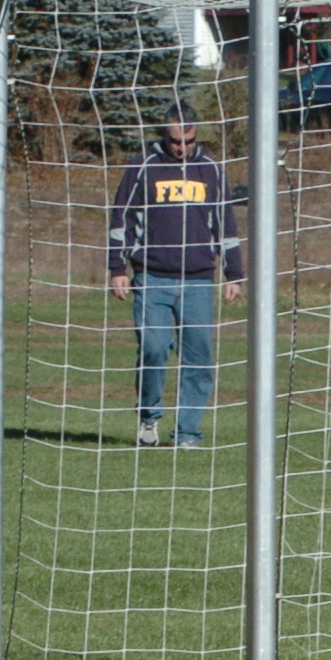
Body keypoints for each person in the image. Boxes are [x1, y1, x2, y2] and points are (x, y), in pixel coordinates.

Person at [106, 107, 243, 447]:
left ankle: (188, 432)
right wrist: (117, 268)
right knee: (153, 349)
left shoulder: (210, 169)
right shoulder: (142, 166)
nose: (182, 148)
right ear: (164, 136)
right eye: (176, 141)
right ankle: (149, 417)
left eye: (189, 141)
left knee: (198, 358)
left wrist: (234, 273)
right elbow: (122, 218)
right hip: (152, 276)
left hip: (198, 280)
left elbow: (225, 224)